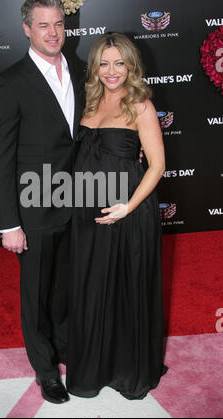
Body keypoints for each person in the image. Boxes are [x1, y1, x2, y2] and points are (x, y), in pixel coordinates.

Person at [0, 0, 84, 404]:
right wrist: (9, 223)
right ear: (27, 29)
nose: (53, 32)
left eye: (59, 23)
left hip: (77, 202)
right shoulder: (11, 81)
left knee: (65, 288)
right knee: (37, 293)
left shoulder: (79, 69)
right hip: (35, 207)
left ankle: (66, 349)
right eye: (43, 25)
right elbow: (0, 157)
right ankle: (45, 370)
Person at [66, 32, 168, 400]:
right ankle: (92, 367)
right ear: (95, 67)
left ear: (131, 65)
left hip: (127, 216)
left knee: (124, 293)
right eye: (104, 63)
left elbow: (156, 165)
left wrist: (127, 206)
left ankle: (127, 369)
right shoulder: (86, 102)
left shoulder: (140, 105)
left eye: (119, 63)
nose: (112, 71)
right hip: (86, 217)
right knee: (91, 291)